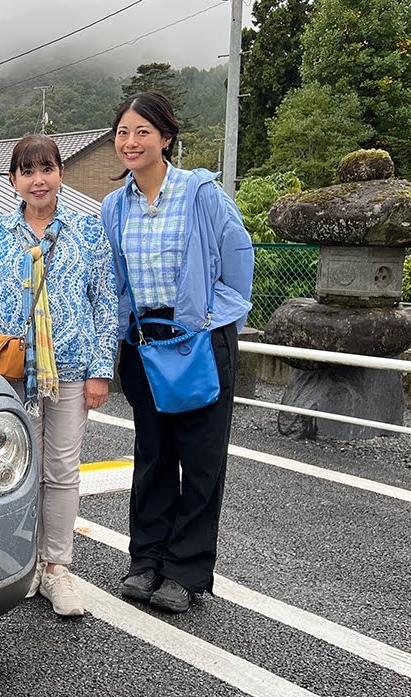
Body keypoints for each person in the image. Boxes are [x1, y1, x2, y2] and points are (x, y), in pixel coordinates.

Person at [99, 91, 254, 613]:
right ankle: (146, 560)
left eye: (143, 131)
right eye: (123, 132)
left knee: (202, 458)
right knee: (153, 456)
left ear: (167, 138)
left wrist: (212, 319)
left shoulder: (200, 192)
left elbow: (238, 260)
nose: (130, 141)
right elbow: (112, 279)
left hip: (201, 342)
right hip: (144, 342)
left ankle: (186, 571)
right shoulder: (113, 205)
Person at [0, 134, 119, 617]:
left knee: (62, 471)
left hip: (70, 368)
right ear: (13, 180)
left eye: (46, 169)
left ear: (60, 174)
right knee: (14, 471)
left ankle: (57, 567)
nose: (38, 179)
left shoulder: (87, 232)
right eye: (27, 171)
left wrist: (100, 370)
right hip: (9, 373)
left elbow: (105, 302)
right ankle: (23, 563)